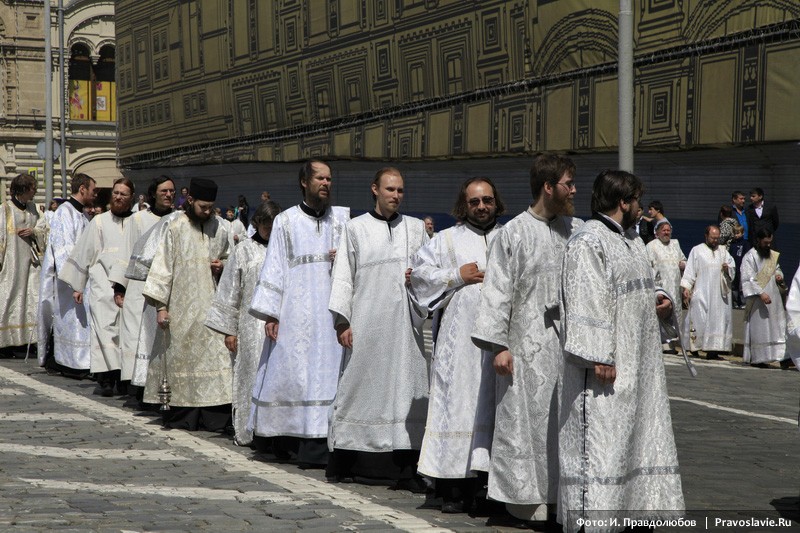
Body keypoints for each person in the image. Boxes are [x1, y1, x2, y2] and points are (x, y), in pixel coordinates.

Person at [557, 169, 684, 533]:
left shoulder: (630, 241)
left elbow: (645, 286)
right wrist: (599, 355)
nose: (642, 209)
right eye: (638, 201)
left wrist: (660, 299)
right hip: (605, 373)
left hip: (639, 368)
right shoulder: (589, 241)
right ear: (622, 202)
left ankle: (631, 514)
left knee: (634, 441)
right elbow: (585, 299)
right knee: (602, 447)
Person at [471, 153, 582, 524]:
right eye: (568, 183)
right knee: (525, 427)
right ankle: (526, 504)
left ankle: (562, 502)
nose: (574, 190)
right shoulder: (512, 233)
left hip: (568, 350)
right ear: (548, 187)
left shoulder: (576, 230)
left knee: (564, 426)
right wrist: (499, 346)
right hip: (525, 351)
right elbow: (497, 291)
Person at [327, 167, 429, 489]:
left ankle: (404, 467)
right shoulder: (355, 229)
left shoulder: (416, 228)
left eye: (400, 190)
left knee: (405, 391)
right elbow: (343, 275)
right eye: (390, 190)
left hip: (405, 331)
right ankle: (355, 460)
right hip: (367, 325)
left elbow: (431, 271)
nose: (396, 196)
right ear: (375, 190)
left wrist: (421, 279)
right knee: (359, 388)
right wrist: (342, 321)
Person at [410, 177, 505, 513]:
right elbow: (418, 277)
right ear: (464, 205)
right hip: (459, 346)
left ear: (496, 202)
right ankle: (453, 488)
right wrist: (457, 276)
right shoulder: (446, 240)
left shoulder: (509, 237)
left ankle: (489, 489)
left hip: (499, 345)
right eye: (474, 201)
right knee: (458, 406)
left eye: (487, 200)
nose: (481, 207)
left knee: (496, 408)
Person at [247, 161, 350, 462]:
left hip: (333, 311)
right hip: (296, 312)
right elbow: (275, 265)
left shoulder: (344, 220)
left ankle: (329, 441)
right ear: (304, 181)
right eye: (320, 178)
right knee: (294, 374)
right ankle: (290, 440)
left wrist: (343, 257)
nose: (326, 183)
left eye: (329, 178)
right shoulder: (285, 221)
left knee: (331, 373)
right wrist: (271, 313)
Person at [141, 177, 232, 431]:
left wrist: (222, 266)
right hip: (180, 310)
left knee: (216, 360)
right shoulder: (175, 227)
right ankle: (183, 416)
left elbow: (231, 258)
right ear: (190, 201)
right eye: (203, 206)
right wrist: (161, 307)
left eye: (211, 207)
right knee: (181, 360)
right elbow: (162, 267)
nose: (207, 211)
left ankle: (216, 418)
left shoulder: (220, 228)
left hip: (212, 310)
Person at [206, 200, 282, 446]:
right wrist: (229, 330)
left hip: (281, 326)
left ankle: (277, 432)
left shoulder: (285, 250)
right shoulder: (244, 251)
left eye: (273, 224)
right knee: (250, 374)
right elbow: (230, 291)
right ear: (256, 223)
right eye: (265, 223)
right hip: (250, 326)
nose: (269, 229)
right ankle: (249, 429)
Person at [59, 178, 135, 397]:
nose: (119, 197)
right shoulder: (99, 222)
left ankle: (125, 378)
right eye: (116, 193)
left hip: (129, 284)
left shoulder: (136, 222)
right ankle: (106, 378)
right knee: (104, 330)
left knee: (126, 332)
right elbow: (84, 252)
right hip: (102, 284)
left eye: (124, 194)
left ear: (131, 197)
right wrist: (78, 286)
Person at [108, 176, 176, 400]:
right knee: (139, 338)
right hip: (139, 289)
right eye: (164, 191)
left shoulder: (179, 219)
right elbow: (125, 253)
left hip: (168, 291)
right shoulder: (138, 220)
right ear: (153, 194)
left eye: (171, 191)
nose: (168, 195)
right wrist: (120, 286)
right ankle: (139, 389)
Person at [37, 173, 97, 375]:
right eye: (92, 190)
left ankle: (82, 361)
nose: (94, 194)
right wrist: (75, 279)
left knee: (82, 322)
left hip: (84, 277)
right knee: (71, 320)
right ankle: (67, 362)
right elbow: (63, 249)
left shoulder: (83, 214)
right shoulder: (65, 212)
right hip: (69, 279)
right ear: (82, 189)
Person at [680, 225, 735, 358]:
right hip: (701, 291)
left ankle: (713, 350)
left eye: (717, 238)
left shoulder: (723, 251)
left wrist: (728, 268)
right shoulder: (697, 250)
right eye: (713, 238)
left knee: (717, 321)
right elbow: (690, 271)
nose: (715, 241)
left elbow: (732, 268)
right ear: (706, 236)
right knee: (698, 318)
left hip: (719, 295)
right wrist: (687, 288)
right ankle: (694, 347)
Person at [0, 173, 40, 351]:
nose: (35, 193)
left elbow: (42, 229)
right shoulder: (5, 210)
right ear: (23, 189)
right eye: (32, 189)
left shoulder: (33, 208)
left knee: (30, 298)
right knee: (9, 298)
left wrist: (34, 232)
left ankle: (26, 340)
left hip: (30, 263)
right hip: (11, 262)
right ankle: (5, 341)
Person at [741, 228, 789, 368]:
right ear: (758, 240)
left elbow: (777, 268)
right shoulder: (750, 257)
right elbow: (748, 278)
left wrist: (779, 275)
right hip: (758, 301)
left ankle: (782, 357)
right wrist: (761, 293)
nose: (768, 245)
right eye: (765, 242)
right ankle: (760, 358)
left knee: (778, 328)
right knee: (761, 329)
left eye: (770, 242)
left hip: (774, 299)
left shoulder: (772, 256)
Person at [646, 220, 686, 306]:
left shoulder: (675, 244)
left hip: (676, 287)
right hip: (661, 288)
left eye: (668, 230)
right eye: (664, 230)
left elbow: (684, 260)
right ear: (658, 232)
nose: (666, 232)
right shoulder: (651, 246)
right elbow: (649, 268)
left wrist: (683, 264)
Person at [729, 223, 749, 308]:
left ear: (742, 233)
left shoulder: (745, 243)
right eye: (735, 233)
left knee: (742, 286)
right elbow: (729, 255)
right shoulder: (732, 244)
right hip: (734, 268)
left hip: (742, 268)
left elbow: (747, 255)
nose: (736, 235)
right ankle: (735, 302)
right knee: (734, 286)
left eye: (738, 233)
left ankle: (743, 302)